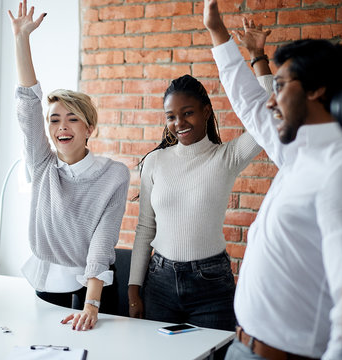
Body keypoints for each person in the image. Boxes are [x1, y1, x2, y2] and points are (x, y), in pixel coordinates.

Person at [204, 0, 342, 358]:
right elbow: (250, 104)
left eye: (281, 86)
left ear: (316, 89)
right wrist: (216, 31)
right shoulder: (300, 150)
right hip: (242, 345)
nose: (271, 102)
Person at [127, 21, 272, 337]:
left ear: (207, 111)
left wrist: (258, 56)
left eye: (187, 112)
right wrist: (133, 287)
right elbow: (145, 227)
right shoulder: (154, 162)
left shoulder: (226, 158)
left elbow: (267, 119)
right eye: (171, 116)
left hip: (211, 285)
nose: (179, 122)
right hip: (159, 282)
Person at [8, 0, 130, 332]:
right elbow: (29, 107)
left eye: (73, 119)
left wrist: (91, 305)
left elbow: (102, 243)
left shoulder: (114, 175)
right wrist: (22, 39)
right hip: (45, 281)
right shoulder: (42, 164)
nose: (62, 126)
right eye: (55, 119)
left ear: (89, 129)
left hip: (91, 289)